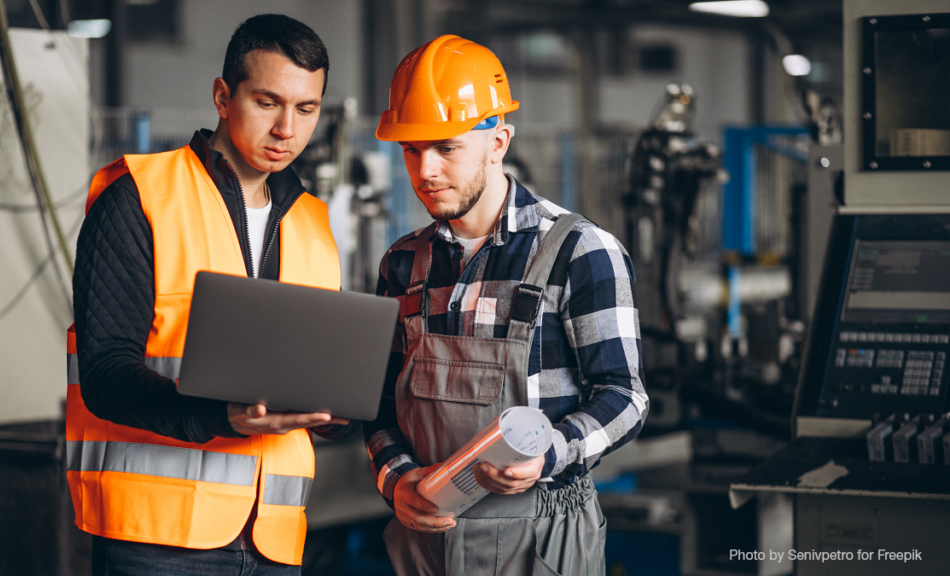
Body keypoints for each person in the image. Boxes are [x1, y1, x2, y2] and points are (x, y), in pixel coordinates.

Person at [68, 14, 350, 575]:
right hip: (155, 539)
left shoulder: (313, 224)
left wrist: (335, 410)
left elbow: (317, 371)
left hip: (273, 537)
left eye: (306, 109)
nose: (287, 130)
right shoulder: (139, 198)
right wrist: (220, 416)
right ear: (223, 97)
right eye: (268, 102)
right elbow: (104, 374)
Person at [364, 35, 648, 575]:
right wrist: (396, 479)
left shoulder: (578, 251)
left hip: (542, 540)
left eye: (446, 148)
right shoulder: (402, 265)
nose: (424, 170)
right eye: (410, 148)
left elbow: (625, 397)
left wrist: (550, 454)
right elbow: (379, 405)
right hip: (426, 542)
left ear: (498, 141)